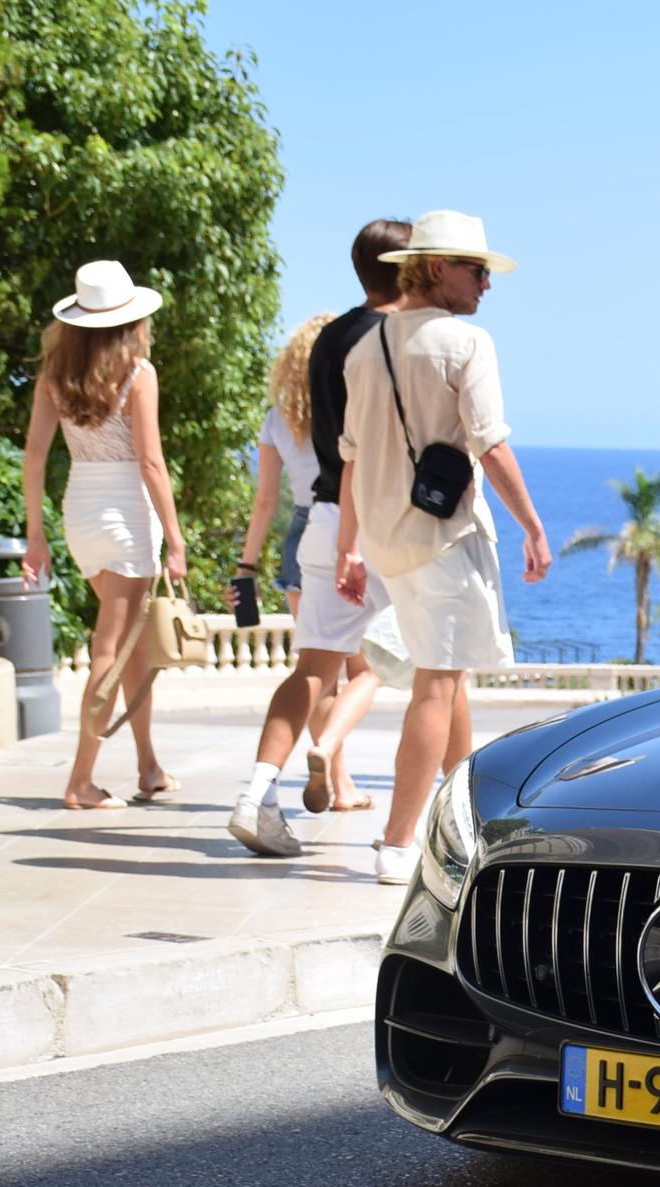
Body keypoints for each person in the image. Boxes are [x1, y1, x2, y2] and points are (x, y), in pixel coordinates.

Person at [338, 210, 552, 884]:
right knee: (436, 685)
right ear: (435, 268)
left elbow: (349, 460)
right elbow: (489, 442)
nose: (486, 284)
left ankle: (468, 822)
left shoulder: (362, 348)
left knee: (448, 676)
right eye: (476, 269)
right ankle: (398, 843)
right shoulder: (465, 344)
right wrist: (533, 525)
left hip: (389, 543)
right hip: (443, 536)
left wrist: (350, 547)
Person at [229, 221, 410, 857]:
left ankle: (256, 794)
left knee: (312, 669)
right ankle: (452, 824)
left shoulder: (329, 339)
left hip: (325, 518)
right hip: (385, 522)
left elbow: (276, 491)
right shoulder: (399, 337)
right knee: (438, 672)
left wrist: (247, 566)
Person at [21, 259, 185, 811]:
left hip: (80, 514)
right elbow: (151, 463)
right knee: (110, 652)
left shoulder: (53, 378)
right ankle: (80, 782)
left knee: (129, 648)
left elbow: (36, 457)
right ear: (130, 321)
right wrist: (177, 540)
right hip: (126, 516)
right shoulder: (139, 375)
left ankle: (148, 766)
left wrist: (35, 537)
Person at [238, 314, 332, 621]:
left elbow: (266, 500)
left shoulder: (277, 420)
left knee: (312, 654)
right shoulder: (353, 411)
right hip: (350, 526)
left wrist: (246, 566)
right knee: (361, 663)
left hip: (303, 532)